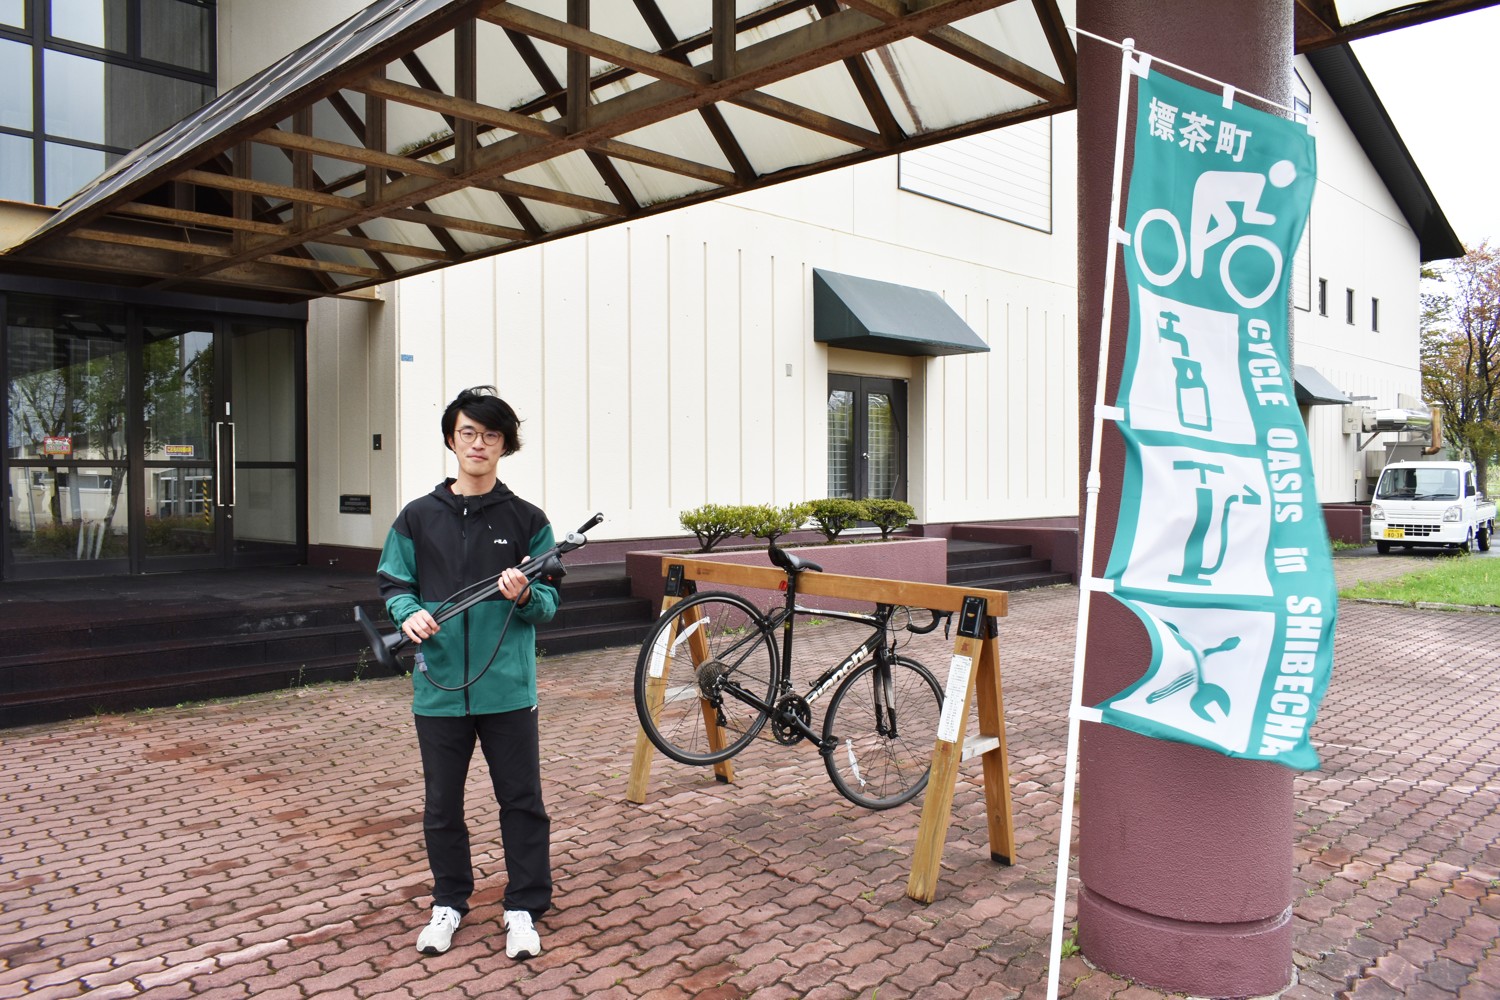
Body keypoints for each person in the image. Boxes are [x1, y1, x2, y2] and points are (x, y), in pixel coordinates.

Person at [376, 386, 560, 960]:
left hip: (507, 688)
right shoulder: (417, 517)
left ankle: (524, 906)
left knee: (521, 800)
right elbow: (394, 583)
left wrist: (524, 594)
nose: (479, 444)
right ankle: (449, 902)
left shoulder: (528, 520)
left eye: (491, 435)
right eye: (468, 433)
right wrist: (408, 614)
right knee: (441, 805)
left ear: (505, 445)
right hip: (438, 686)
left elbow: (549, 605)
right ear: (452, 441)